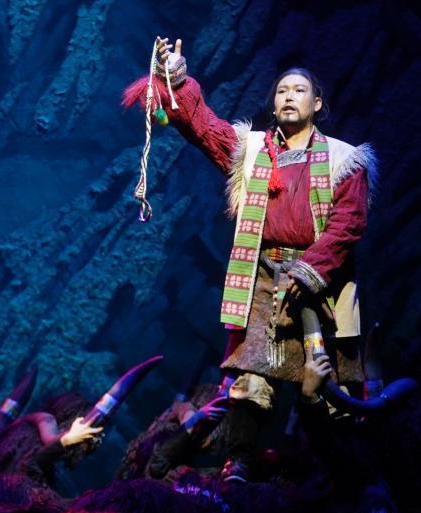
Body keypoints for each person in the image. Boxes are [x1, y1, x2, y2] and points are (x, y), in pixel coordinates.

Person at [125, 39, 377, 480]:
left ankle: (335, 470)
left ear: (317, 103)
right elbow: (204, 128)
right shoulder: (253, 150)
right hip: (263, 277)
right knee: (250, 375)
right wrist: (177, 80)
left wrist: (310, 270)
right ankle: (238, 460)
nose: (289, 97)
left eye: (299, 90)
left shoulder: (345, 159)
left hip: (321, 282)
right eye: (281, 91)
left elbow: (348, 224)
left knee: (326, 376)